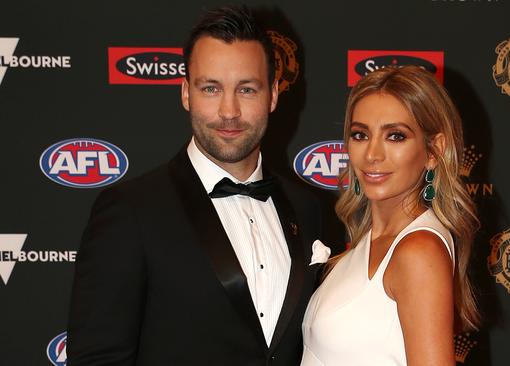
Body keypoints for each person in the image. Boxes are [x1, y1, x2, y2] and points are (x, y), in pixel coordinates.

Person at [67, 6, 324, 365]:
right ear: (186, 93)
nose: (229, 110)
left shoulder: (307, 209)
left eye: (247, 89)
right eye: (211, 88)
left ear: (274, 96)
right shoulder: (131, 211)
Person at [301, 66, 480, 366]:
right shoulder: (372, 241)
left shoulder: (418, 250)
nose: (372, 154)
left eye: (395, 136)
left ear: (434, 151)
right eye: (360, 135)